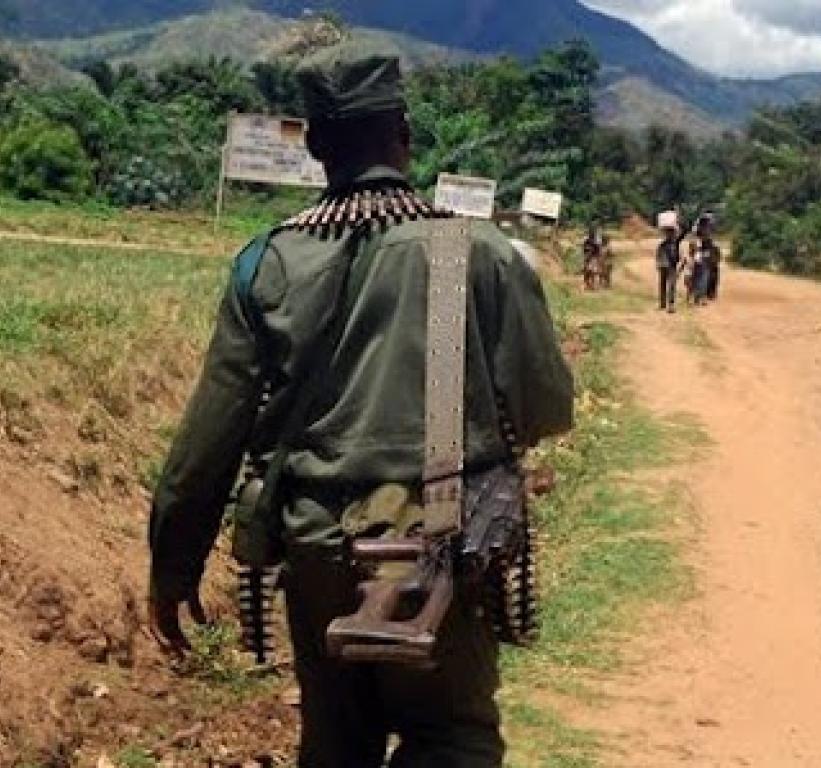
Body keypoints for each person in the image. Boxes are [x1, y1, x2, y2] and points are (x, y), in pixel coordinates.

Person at [147, 54, 574, 767]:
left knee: (337, 739)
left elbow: (208, 443)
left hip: (314, 542)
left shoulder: (270, 261)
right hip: (442, 536)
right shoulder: (473, 253)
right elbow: (546, 409)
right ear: (405, 133)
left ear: (316, 147)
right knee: (450, 737)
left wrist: (173, 563)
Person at [655, 226, 682, 312]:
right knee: (668, 285)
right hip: (667, 266)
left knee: (667, 285)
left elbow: (658, 256)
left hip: (667, 266)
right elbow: (659, 255)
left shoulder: (666, 244)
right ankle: (667, 305)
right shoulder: (668, 245)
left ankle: (666, 304)